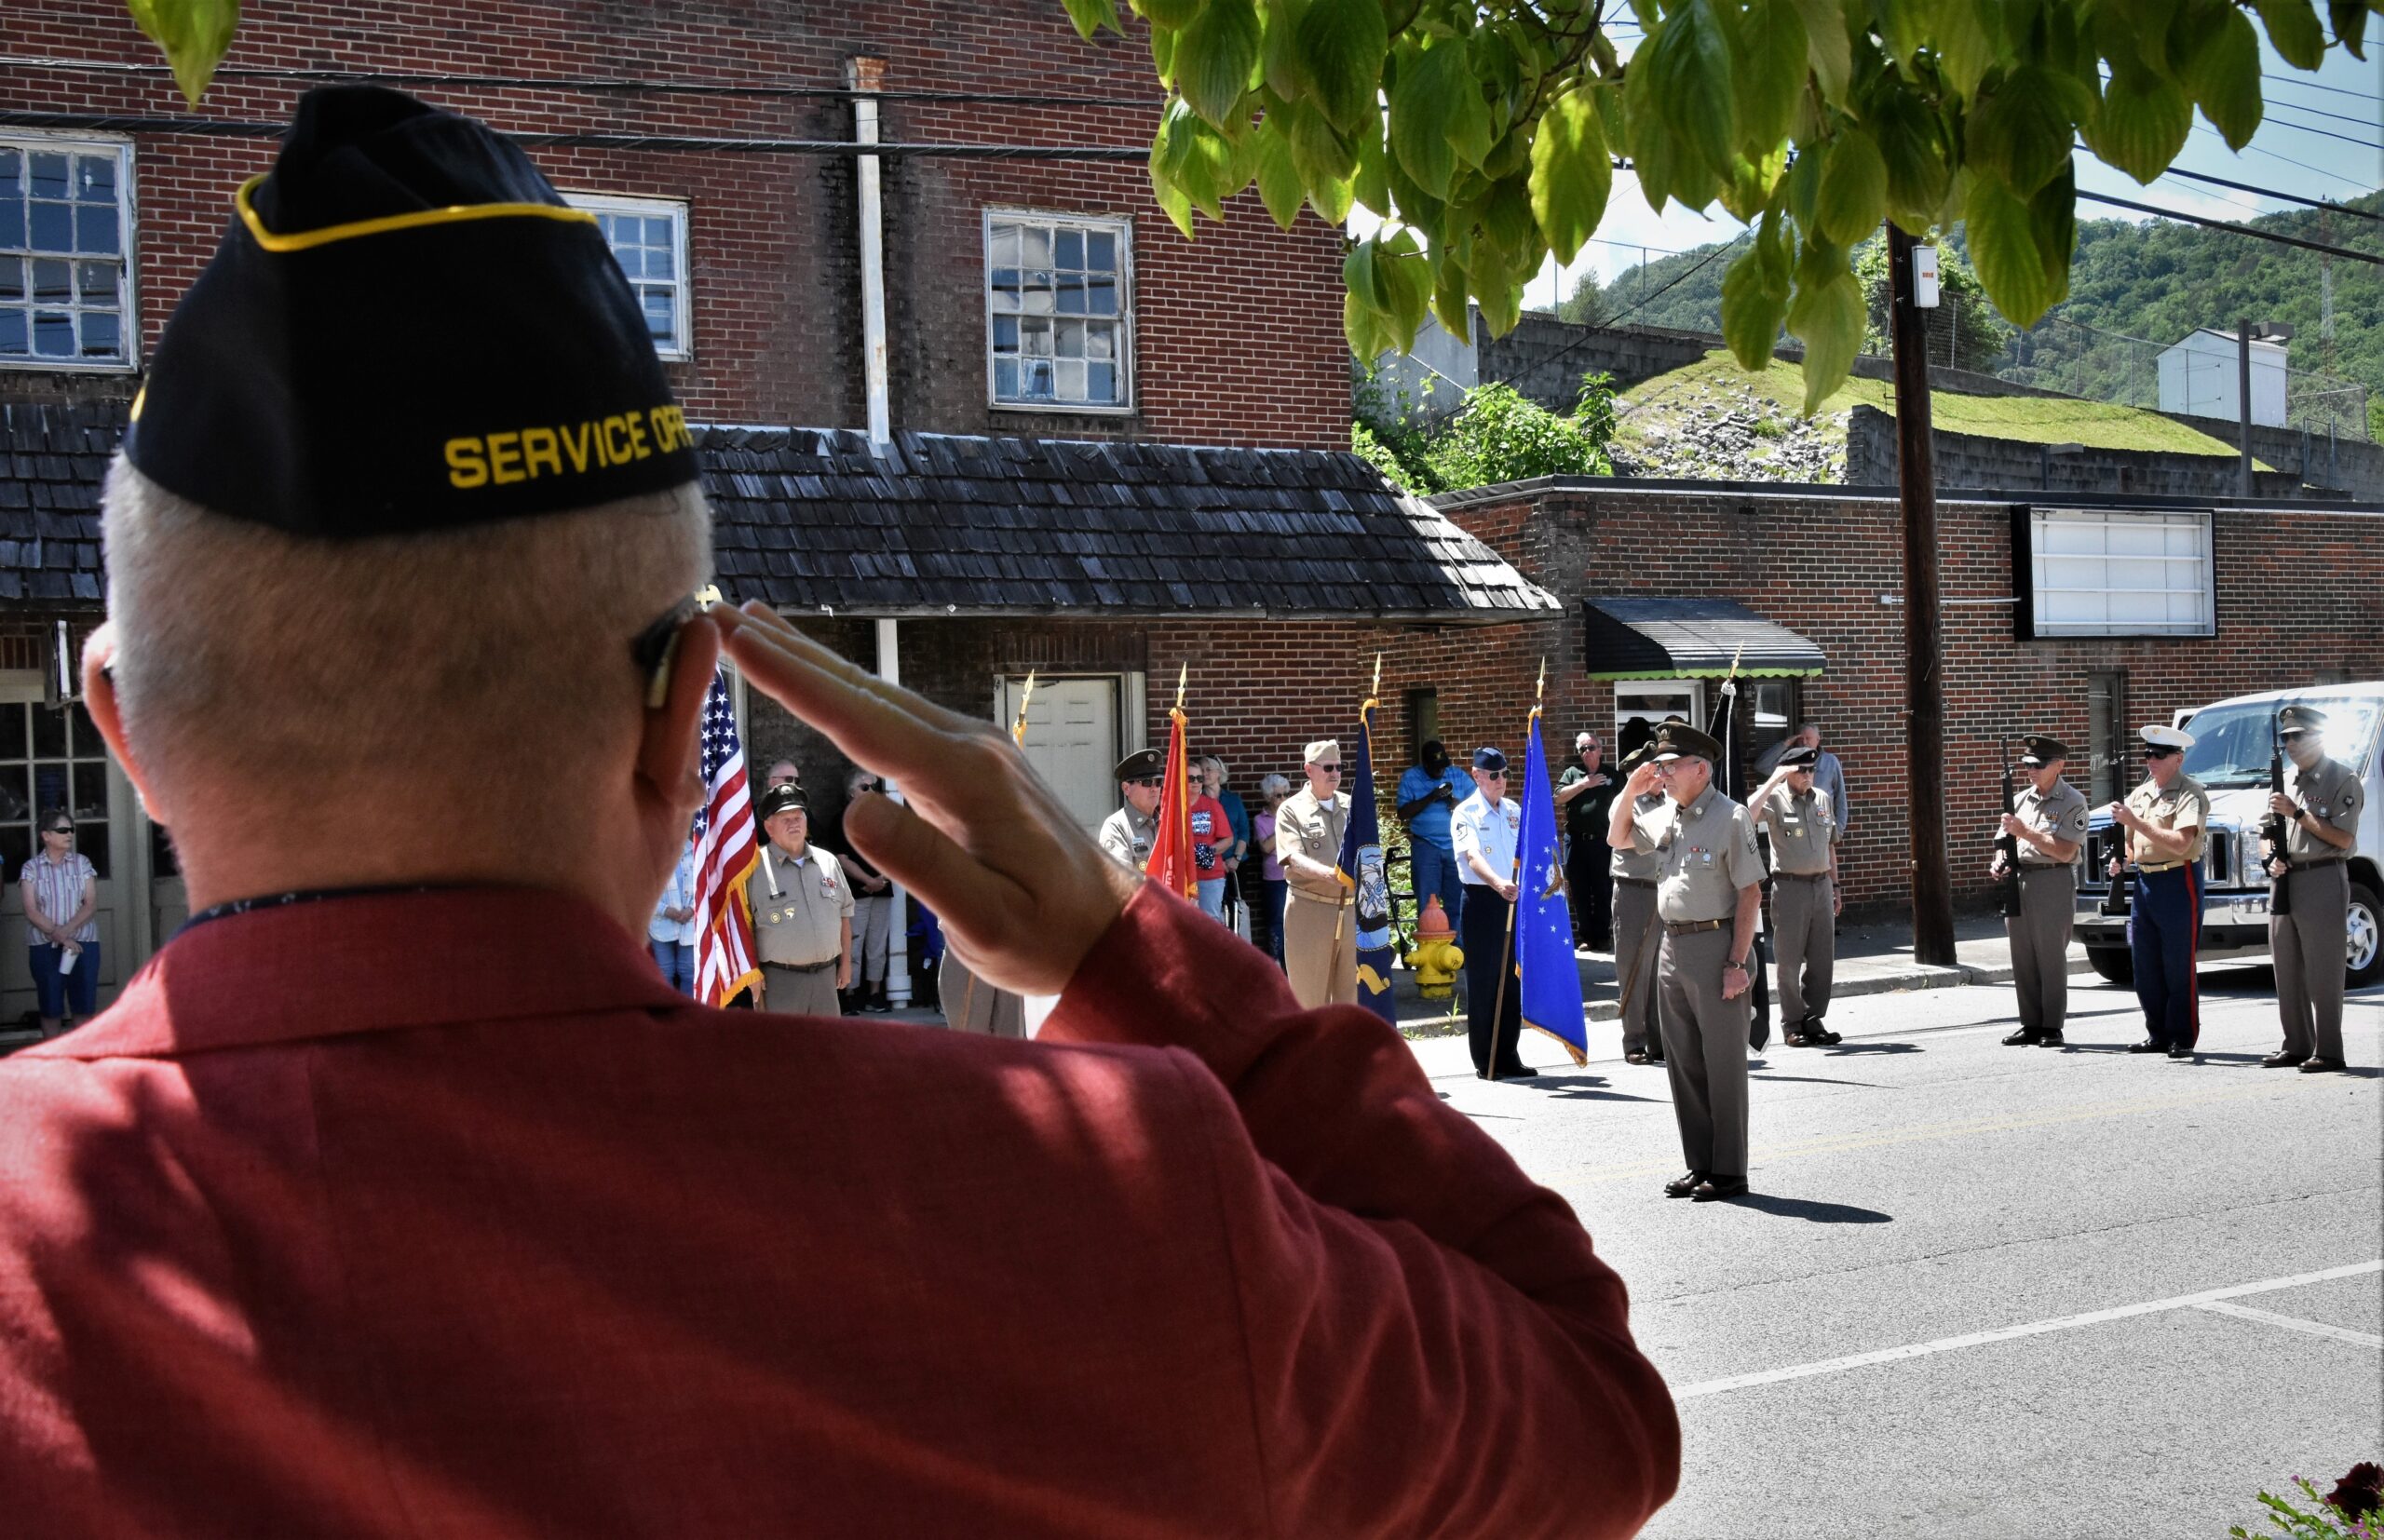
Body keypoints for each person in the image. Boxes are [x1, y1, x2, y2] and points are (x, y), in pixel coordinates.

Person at [0, 88, 1679, 1534]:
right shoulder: (1091, 1207)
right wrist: (1135, 962)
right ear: (686, 719)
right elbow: (1590, 1407)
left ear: (123, 727)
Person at [1609, 722, 1765, 1202]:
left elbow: (1750, 893)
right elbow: (1618, 836)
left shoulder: (1731, 817)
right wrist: (1634, 787)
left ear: (1701, 768)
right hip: (1672, 949)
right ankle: (1699, 1164)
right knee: (1684, 1065)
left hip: (1717, 947)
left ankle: (1729, 1171)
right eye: (1661, 766)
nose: (1665, 774)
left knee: (1722, 1066)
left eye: (1671, 766)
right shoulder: (1670, 816)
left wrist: (1738, 962)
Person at [2261, 705, 2363, 1073]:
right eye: (2286, 738)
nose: (2291, 744)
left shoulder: (2342, 778)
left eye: (2298, 736)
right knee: (2285, 969)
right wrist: (2269, 859)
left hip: (2323, 874)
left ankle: (2330, 1050)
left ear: (2318, 737)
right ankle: (2297, 1044)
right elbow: (2264, 833)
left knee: (2323, 969)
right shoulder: (2284, 780)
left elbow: (2343, 837)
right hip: (2285, 879)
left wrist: (2299, 815)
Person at [2108, 723, 2210, 1059]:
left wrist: (2136, 823)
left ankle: (2182, 1034)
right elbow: (2132, 847)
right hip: (2145, 882)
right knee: (2145, 963)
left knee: (2177, 963)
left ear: (2178, 759)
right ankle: (2158, 1032)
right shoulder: (2140, 794)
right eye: (2148, 753)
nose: (2151, 760)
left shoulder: (2190, 793)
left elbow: (2182, 843)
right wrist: (2122, 860)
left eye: (2159, 754)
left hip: (2178, 880)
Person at [1993, 735, 2088, 1048]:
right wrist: (2000, 861)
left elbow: (2064, 850)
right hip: (2020, 881)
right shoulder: (2020, 799)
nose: (2031, 769)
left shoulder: (2073, 801)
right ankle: (2031, 1022)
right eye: (2026, 764)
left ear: (2059, 765)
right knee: (2023, 957)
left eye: (2038, 764)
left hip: (2052, 880)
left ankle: (2052, 1026)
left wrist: (2025, 832)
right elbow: (2004, 840)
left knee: (2050, 956)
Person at [1749, 744, 1840, 1048]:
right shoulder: (1775, 799)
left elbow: (1830, 846)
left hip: (1821, 886)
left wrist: (1835, 886)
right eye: (1801, 770)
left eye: (1811, 769)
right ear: (1789, 772)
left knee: (1821, 959)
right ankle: (1792, 1023)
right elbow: (1745, 815)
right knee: (1788, 960)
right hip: (1789, 888)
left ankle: (1814, 1019)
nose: (1808, 775)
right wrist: (1774, 779)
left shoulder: (1823, 799)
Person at [1454, 747, 1528, 1080]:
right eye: (1494, 775)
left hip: (1513, 900)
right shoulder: (1465, 812)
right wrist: (1499, 884)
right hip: (1483, 900)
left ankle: (1508, 1054)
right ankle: (1486, 1059)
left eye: (1505, 773)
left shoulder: (1513, 810)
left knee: (1512, 980)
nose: (1502, 781)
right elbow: (1472, 858)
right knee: (1484, 982)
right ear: (1477, 776)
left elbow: (1526, 851)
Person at [750, 783, 854, 1018]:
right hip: (779, 979)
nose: (794, 823)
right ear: (769, 826)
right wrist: (750, 973)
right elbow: (742, 926)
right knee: (782, 1051)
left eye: (798, 816)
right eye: (785, 819)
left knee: (827, 1050)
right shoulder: (753, 869)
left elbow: (844, 914)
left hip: (826, 978)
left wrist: (846, 963)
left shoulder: (828, 862)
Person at [1275, 739, 1358, 1008]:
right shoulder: (1291, 809)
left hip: (1350, 911)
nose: (1335, 773)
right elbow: (1292, 858)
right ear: (1308, 770)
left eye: (1340, 767)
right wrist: (1330, 875)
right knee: (1309, 1000)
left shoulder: (1351, 805)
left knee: (1352, 998)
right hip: (1310, 909)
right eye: (1328, 767)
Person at [1607, 744, 1667, 1066]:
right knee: (1634, 969)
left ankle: (1659, 1041)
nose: (1661, 775)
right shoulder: (1625, 801)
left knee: (1661, 970)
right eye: (1654, 770)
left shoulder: (1668, 801)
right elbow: (1624, 837)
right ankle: (1634, 1040)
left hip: (1664, 890)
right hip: (1634, 891)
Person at [18, 810, 99, 1038]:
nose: (69, 834)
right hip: (45, 945)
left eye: (71, 829)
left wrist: (67, 931)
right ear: (46, 835)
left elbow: (90, 904)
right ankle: (53, 1062)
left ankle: (80, 1060)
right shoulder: (31, 868)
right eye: (63, 830)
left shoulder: (82, 863)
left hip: (84, 943)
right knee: (50, 1006)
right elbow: (30, 910)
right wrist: (61, 937)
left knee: (83, 1006)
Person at [830, 768, 895, 1012]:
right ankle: (849, 993)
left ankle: (874, 994)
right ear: (851, 793)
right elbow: (842, 858)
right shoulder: (840, 820)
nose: (872, 792)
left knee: (878, 947)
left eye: (874, 787)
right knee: (852, 945)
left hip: (881, 892)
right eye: (866, 787)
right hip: (855, 893)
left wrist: (881, 880)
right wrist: (869, 880)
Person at [1396, 738, 1472, 935]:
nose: (1440, 772)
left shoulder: (1457, 775)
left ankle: (1457, 950)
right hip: (1426, 845)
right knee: (1428, 902)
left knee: (1457, 900)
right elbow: (1403, 813)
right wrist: (1432, 796)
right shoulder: (1411, 777)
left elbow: (1478, 804)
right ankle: (1430, 951)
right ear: (1425, 764)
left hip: (1456, 845)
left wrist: (1460, 805)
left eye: (1442, 767)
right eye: (1435, 768)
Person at [1555, 731, 1619, 952]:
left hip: (1603, 841)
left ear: (1600, 750)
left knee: (1603, 889)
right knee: (1579, 890)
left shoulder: (1612, 774)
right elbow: (1558, 796)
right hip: (1576, 841)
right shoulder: (1573, 773)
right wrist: (1584, 784)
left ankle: (1602, 936)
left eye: (1591, 747)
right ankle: (1586, 937)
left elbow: (1626, 801)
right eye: (1582, 749)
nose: (1587, 752)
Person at [1202, 756, 1252, 933]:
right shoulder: (1197, 801)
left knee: (1235, 909)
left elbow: (1244, 831)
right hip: (1209, 866)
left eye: (1209, 769)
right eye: (1202, 769)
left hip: (1236, 864)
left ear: (1219, 772)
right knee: (1214, 912)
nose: (1205, 773)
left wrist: (1236, 858)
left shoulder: (1233, 800)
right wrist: (1218, 862)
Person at [1096, 747, 1163, 871]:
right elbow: (1121, 879)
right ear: (1126, 788)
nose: (1154, 788)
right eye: (1147, 782)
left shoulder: (1167, 823)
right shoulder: (1116, 826)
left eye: (1158, 782)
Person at [648, 828, 698, 993]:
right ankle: (668, 1015)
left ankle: (688, 1012)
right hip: (660, 922)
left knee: (688, 970)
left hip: (689, 921)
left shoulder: (693, 850)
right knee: (665, 971)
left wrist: (692, 909)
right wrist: (665, 910)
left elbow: (701, 884)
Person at [1250, 772, 1293, 965]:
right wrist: (1282, 825)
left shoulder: (1295, 814)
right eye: (1279, 795)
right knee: (1276, 923)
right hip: (1274, 878)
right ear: (1268, 797)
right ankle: (1276, 963)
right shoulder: (1261, 820)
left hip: (1295, 875)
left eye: (1286, 794)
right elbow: (1266, 847)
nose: (1284, 799)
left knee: (1295, 922)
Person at [1187, 763, 1232, 923]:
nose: (1196, 781)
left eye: (1199, 778)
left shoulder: (1212, 805)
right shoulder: (1173, 807)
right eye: (1190, 778)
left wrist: (1208, 851)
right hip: (1182, 874)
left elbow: (1228, 839)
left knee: (1210, 922)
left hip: (1210, 875)